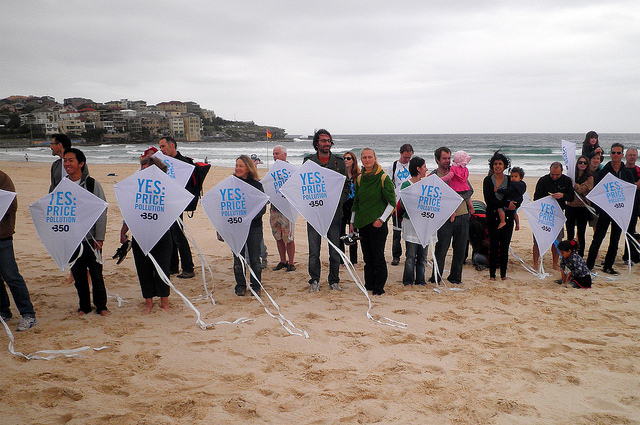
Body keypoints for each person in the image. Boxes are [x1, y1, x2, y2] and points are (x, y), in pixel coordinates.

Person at [120, 152, 173, 314]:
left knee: (162, 269)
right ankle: (148, 302)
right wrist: (123, 231)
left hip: (162, 234)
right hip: (140, 234)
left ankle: (164, 302)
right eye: (142, 170)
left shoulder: (167, 188)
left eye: (147, 170)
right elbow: (130, 211)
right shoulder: (137, 190)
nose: (144, 173)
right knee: (143, 269)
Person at [64, 148, 109, 316]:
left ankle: (101, 306)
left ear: (81, 163)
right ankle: (84, 306)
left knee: (97, 275)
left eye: (71, 160)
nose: (67, 164)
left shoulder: (92, 184)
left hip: (91, 239)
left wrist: (100, 237)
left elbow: (102, 210)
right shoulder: (62, 186)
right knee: (78, 275)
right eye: (65, 160)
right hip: (72, 239)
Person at [303, 129, 349, 292]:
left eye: (328, 141)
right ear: (317, 143)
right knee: (314, 252)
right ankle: (314, 280)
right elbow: (304, 185)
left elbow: (346, 185)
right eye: (323, 140)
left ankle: (334, 281)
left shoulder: (339, 162)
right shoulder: (309, 162)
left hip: (334, 214)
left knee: (334, 251)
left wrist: (338, 201)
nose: (327, 143)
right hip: (314, 214)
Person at [351, 148, 395, 295]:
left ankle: (379, 287)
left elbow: (392, 203)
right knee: (367, 257)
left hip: (377, 225)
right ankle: (369, 284)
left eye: (370, 157)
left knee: (378, 257)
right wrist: (352, 222)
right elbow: (356, 202)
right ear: (361, 160)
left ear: (375, 158)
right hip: (363, 223)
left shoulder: (383, 178)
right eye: (364, 157)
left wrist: (381, 220)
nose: (367, 160)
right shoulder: (359, 179)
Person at [586, 143, 636, 274]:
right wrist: (598, 209)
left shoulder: (627, 173)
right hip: (605, 210)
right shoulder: (603, 172)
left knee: (615, 239)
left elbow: (630, 193)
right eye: (613, 152)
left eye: (618, 153)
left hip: (619, 211)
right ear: (610, 154)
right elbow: (597, 192)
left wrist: (627, 210)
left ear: (622, 155)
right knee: (598, 238)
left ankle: (608, 266)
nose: (616, 155)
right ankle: (589, 265)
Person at [0, 169, 37, 331]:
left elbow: (12, 206)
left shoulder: (2, 178)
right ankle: (3, 311)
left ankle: (28, 314)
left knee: (11, 276)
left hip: (3, 236)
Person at [429, 147, 471, 285]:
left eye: (449, 158)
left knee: (460, 249)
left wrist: (456, 197)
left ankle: (455, 277)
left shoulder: (458, 170)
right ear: (437, 159)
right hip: (444, 217)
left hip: (462, 214)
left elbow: (469, 190)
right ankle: (436, 276)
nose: (447, 161)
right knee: (441, 248)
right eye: (444, 158)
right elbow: (430, 194)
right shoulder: (434, 176)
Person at [158, 137, 195, 279]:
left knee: (178, 236)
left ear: (172, 145)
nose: (161, 149)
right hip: (166, 202)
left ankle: (188, 268)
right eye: (160, 147)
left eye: (163, 146)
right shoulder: (163, 161)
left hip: (177, 203)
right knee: (170, 235)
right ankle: (173, 267)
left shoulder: (182, 162)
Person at [231, 155, 266, 296]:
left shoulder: (257, 185)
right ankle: (240, 285)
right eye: (236, 165)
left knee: (254, 259)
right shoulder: (231, 184)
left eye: (241, 166)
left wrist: (247, 218)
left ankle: (255, 285)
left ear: (248, 168)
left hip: (254, 227)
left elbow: (262, 208)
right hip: (236, 228)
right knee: (238, 259)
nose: (237, 168)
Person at [532, 162, 574, 271]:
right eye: (552, 174)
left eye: (557, 175)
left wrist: (563, 195)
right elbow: (536, 198)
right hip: (543, 213)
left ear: (561, 172)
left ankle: (555, 264)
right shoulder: (543, 180)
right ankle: (535, 264)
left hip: (558, 214)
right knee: (537, 240)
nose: (554, 177)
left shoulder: (566, 180)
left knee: (558, 241)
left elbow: (571, 197)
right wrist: (548, 198)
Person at [483, 151, 516, 281]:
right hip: (492, 217)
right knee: (494, 246)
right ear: (492, 166)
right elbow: (489, 200)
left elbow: (514, 197)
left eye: (500, 164)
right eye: (495, 164)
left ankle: (503, 274)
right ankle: (492, 275)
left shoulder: (510, 180)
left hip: (508, 218)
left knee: (504, 247)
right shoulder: (487, 180)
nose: (497, 166)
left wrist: (511, 204)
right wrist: (506, 204)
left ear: (505, 165)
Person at [400, 157, 428, 286]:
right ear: (418, 168)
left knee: (423, 255)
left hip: (424, 224)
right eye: (424, 167)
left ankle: (420, 280)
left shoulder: (426, 184)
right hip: (411, 224)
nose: (426, 169)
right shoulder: (406, 185)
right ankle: (408, 280)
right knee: (411, 255)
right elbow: (405, 204)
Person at [270, 145, 296, 272]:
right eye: (274, 154)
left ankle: (291, 262)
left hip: (287, 209)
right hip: (274, 208)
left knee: (288, 237)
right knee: (278, 236)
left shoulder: (291, 170)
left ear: (284, 155)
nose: (275, 156)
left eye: (277, 154)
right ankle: (282, 260)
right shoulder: (272, 170)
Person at [387, 144, 413, 266]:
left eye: (409, 157)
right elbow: (389, 184)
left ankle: (410, 255)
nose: (407, 160)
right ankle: (396, 256)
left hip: (410, 203)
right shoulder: (393, 167)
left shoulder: (412, 166)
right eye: (405, 157)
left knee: (410, 232)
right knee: (397, 231)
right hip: (397, 203)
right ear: (400, 153)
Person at [565, 155, 594, 257]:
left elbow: (581, 190)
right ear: (577, 164)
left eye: (585, 163)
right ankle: (569, 254)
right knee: (570, 233)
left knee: (581, 233)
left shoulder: (590, 178)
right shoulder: (572, 176)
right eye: (580, 162)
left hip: (582, 207)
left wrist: (573, 183)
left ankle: (580, 255)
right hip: (570, 207)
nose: (582, 164)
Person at [339, 151, 360, 266]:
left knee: (353, 233)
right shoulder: (340, 175)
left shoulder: (358, 176)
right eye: (344, 158)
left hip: (353, 207)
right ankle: (341, 260)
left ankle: (354, 260)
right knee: (341, 233)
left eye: (348, 158)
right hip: (342, 206)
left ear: (353, 161)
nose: (346, 160)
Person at [441, 150, 475, 216]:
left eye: (449, 158)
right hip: (464, 187)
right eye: (444, 158)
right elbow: (466, 177)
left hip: (455, 188)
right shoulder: (465, 169)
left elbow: (449, 176)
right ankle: (471, 206)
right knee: (468, 198)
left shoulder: (453, 168)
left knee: (451, 200)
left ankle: (453, 212)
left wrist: (442, 179)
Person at [622, 148, 640, 265]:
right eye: (630, 155)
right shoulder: (621, 170)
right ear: (625, 156)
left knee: (631, 230)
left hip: (637, 204)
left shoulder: (638, 171)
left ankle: (630, 255)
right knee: (621, 231)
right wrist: (634, 185)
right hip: (623, 204)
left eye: (634, 155)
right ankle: (625, 255)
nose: (632, 157)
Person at [495, 166, 526, 231]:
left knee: (500, 208)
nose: (513, 178)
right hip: (518, 202)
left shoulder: (513, 185)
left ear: (521, 178)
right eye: (512, 176)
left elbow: (507, 191)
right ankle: (517, 223)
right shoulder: (523, 185)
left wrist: (498, 190)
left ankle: (502, 221)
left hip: (511, 201)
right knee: (515, 212)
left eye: (515, 176)